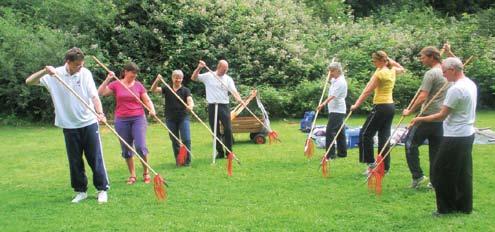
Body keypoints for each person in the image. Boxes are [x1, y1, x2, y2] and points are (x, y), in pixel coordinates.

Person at [25, 47, 110, 203]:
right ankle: (80, 191)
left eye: (81, 64)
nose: (80, 67)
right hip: (68, 125)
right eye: (77, 65)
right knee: (75, 160)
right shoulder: (54, 74)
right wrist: (44, 71)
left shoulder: (85, 74)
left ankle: (102, 189)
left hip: (89, 122)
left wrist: (100, 113)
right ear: (68, 62)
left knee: (95, 157)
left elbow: (94, 96)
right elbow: (29, 81)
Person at [411, 57, 477, 216]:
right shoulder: (469, 83)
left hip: (455, 136)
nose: (443, 76)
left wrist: (419, 118)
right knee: (462, 172)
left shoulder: (455, 89)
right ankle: (464, 206)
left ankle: (445, 209)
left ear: (453, 70)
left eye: (445, 72)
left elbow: (441, 116)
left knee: (440, 171)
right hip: (468, 134)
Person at [98, 62, 156, 184]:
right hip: (121, 120)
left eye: (135, 74)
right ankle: (132, 175)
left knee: (140, 146)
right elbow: (101, 93)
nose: (134, 76)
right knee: (126, 147)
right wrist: (108, 78)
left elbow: (147, 99)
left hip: (138, 118)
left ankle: (146, 172)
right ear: (125, 72)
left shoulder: (139, 85)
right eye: (132, 73)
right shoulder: (116, 84)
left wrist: (152, 109)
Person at [350, 51, 404, 174]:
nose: (373, 63)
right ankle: (384, 167)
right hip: (390, 107)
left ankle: (371, 164)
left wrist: (356, 105)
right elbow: (402, 68)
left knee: (365, 134)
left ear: (380, 60)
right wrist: (389, 60)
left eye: (374, 61)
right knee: (384, 137)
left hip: (380, 106)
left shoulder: (380, 74)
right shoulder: (392, 70)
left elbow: (367, 91)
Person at [402, 46, 449, 189]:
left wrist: (410, 110)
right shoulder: (447, 71)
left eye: (423, 57)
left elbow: (422, 96)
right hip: (441, 116)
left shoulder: (431, 73)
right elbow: (458, 62)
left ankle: (418, 176)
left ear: (431, 57)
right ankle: (435, 181)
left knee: (410, 144)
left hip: (427, 115)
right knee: (435, 149)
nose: (421, 60)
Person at [191, 60, 244, 159]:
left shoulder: (228, 79)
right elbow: (193, 78)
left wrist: (239, 99)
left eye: (226, 69)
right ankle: (220, 152)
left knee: (228, 129)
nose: (225, 71)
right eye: (223, 69)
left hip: (224, 106)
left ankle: (229, 153)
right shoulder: (209, 75)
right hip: (212, 106)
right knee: (215, 131)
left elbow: (234, 91)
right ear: (218, 67)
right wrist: (199, 67)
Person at [151, 70, 194, 166]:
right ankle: (179, 161)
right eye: (176, 77)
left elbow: (190, 100)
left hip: (183, 117)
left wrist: (190, 106)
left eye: (179, 78)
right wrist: (157, 80)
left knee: (186, 139)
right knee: (174, 140)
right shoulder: (167, 88)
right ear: (172, 78)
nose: (177, 80)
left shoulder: (185, 90)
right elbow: (153, 90)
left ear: (182, 79)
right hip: (170, 118)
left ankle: (187, 161)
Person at [317, 62, 348, 159]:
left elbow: (332, 96)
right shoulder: (336, 79)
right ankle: (342, 153)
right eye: (329, 71)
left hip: (337, 110)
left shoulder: (341, 82)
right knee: (340, 132)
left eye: (332, 71)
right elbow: (330, 82)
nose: (330, 73)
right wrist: (330, 77)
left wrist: (323, 104)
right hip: (334, 109)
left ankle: (330, 154)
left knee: (330, 131)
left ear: (338, 70)